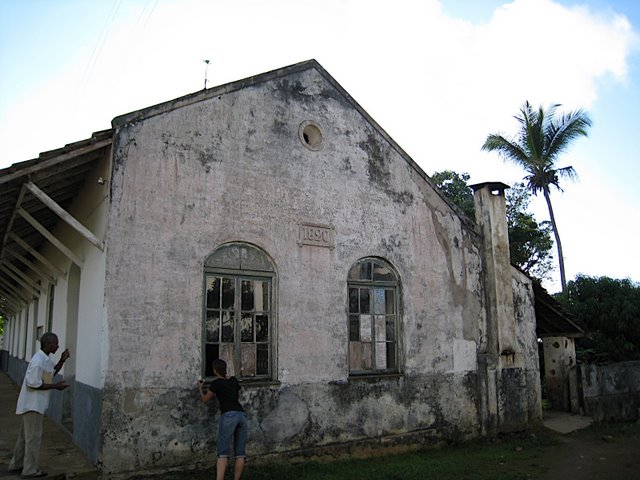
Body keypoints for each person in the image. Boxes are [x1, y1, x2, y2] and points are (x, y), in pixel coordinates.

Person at [9, 332, 70, 479]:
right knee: (33, 438)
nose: (58, 345)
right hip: (32, 406)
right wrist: (56, 387)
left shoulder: (44, 359)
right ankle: (30, 470)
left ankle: (17, 464)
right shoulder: (37, 361)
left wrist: (62, 360)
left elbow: (51, 373)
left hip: (35, 405)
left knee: (25, 437)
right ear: (48, 344)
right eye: (55, 343)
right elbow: (33, 384)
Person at [198, 359, 247, 480]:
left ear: (215, 370)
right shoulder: (233, 380)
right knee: (240, 454)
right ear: (225, 369)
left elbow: (205, 399)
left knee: (222, 453)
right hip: (241, 415)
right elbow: (236, 391)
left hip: (229, 415)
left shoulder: (216, 383)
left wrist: (200, 388)